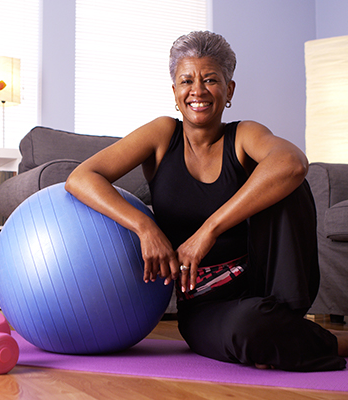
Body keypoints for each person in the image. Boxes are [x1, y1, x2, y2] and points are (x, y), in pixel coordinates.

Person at [65, 31, 348, 371]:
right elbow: (81, 177)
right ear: (174, 92)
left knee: (286, 180)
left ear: (228, 90)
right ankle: (294, 338)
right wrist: (145, 227)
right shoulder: (161, 135)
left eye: (211, 79)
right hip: (205, 303)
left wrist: (208, 230)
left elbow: (293, 163)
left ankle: (287, 329)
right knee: (249, 330)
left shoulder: (243, 135)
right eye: (186, 80)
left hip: (271, 284)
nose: (197, 91)